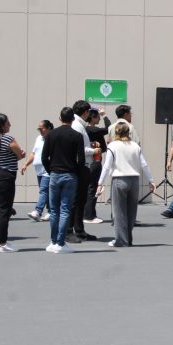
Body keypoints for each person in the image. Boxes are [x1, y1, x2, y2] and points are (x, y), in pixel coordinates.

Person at [97, 123, 155, 247]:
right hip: (134, 180)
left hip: (119, 179)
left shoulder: (112, 145)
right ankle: (128, 238)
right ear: (129, 132)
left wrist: (100, 182)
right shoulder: (135, 146)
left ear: (116, 133)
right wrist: (151, 180)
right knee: (131, 212)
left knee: (119, 212)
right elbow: (143, 164)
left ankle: (121, 240)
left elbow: (107, 166)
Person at [41, 107, 86, 253]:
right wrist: (78, 174)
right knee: (65, 209)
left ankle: (53, 241)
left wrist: (51, 170)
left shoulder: (51, 134)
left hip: (54, 173)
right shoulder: (77, 136)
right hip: (70, 174)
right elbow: (81, 159)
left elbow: (44, 157)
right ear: (73, 119)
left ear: (60, 118)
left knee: (54, 210)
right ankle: (61, 242)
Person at [0, 114, 25, 252]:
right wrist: (22, 154)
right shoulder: (8, 138)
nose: (10, 125)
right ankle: (2, 243)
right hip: (5, 176)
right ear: (2, 125)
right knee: (4, 210)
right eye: (8, 123)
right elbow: (19, 154)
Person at [68, 101, 100, 244]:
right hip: (80, 166)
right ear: (85, 112)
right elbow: (78, 148)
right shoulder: (77, 125)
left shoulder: (79, 124)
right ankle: (73, 230)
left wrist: (91, 146)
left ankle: (79, 230)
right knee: (76, 201)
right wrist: (94, 150)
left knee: (80, 200)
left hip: (82, 165)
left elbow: (82, 146)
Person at [21, 120, 54, 221]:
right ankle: (50, 211)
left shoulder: (53, 137)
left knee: (43, 190)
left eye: (41, 128)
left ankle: (37, 211)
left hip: (47, 169)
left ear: (48, 128)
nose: (40, 131)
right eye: (38, 129)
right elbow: (33, 153)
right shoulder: (39, 138)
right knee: (46, 191)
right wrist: (26, 164)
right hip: (38, 169)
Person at [84, 108, 109, 224]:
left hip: (91, 160)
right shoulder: (93, 129)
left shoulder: (86, 129)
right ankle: (89, 215)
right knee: (93, 187)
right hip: (95, 160)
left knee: (90, 187)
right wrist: (105, 115)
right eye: (98, 116)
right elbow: (109, 128)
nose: (99, 118)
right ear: (93, 117)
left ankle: (89, 214)